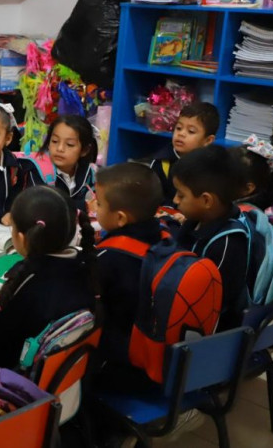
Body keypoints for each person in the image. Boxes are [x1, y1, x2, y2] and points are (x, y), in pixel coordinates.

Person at [0, 186, 98, 367]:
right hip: (67, 376)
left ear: (22, 238)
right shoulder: (86, 263)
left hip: (13, 378)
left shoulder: (28, 282)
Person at [92, 163, 163, 379]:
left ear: (120, 218)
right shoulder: (164, 236)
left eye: (99, 203)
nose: (94, 207)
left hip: (119, 364)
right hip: (158, 354)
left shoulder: (110, 258)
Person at [171, 145, 249, 330]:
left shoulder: (228, 243)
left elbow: (211, 300)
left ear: (207, 200)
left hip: (210, 332)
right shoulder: (195, 220)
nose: (175, 200)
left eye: (181, 195)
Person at [149, 102, 218, 206]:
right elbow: (152, 198)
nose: (181, 134)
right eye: (178, 128)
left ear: (208, 140)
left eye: (191, 131)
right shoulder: (161, 162)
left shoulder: (212, 166)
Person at [39, 114, 98, 211]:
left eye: (69, 144)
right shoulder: (37, 171)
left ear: (85, 150)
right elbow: (45, 208)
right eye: (54, 141)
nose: (60, 148)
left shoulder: (90, 173)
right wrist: (84, 206)